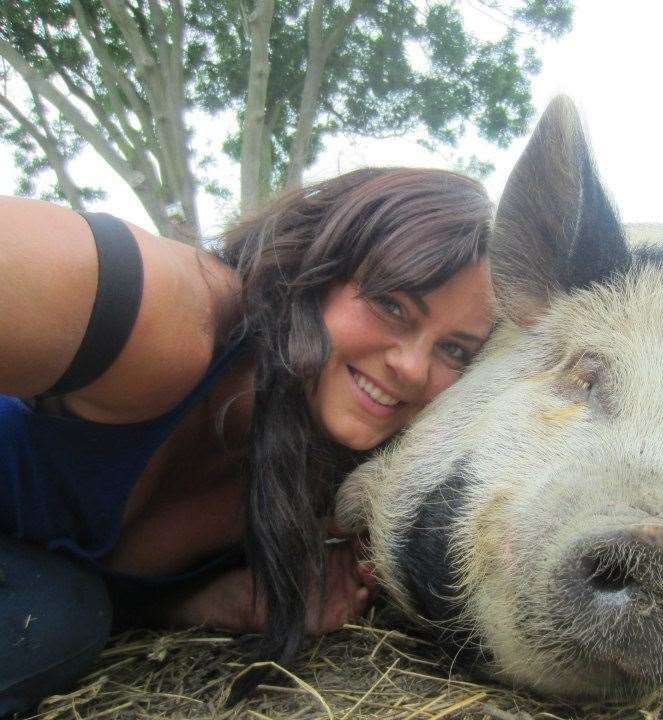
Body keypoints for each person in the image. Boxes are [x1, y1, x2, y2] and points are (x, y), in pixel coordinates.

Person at [0, 167, 495, 715]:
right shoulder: (162, 316)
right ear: (319, 264)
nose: (411, 367)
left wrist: (212, 602)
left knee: (62, 619)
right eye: (392, 305)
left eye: (455, 351)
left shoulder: (332, 489)